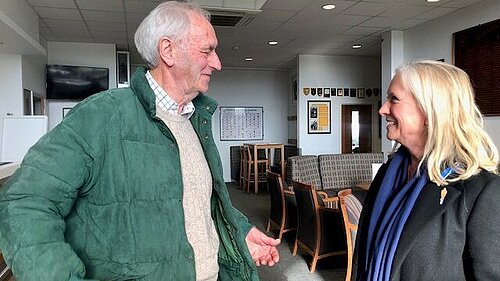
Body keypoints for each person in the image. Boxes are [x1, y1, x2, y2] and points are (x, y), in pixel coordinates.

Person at [0, 2, 280, 280]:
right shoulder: (100, 116)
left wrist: (240, 230)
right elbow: (23, 202)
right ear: (168, 51)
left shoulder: (196, 121)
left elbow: (198, 201)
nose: (217, 63)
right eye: (207, 50)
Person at [353, 60, 500, 280]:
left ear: (430, 112)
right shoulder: (387, 173)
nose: (383, 109)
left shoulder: (481, 191)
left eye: (394, 99)